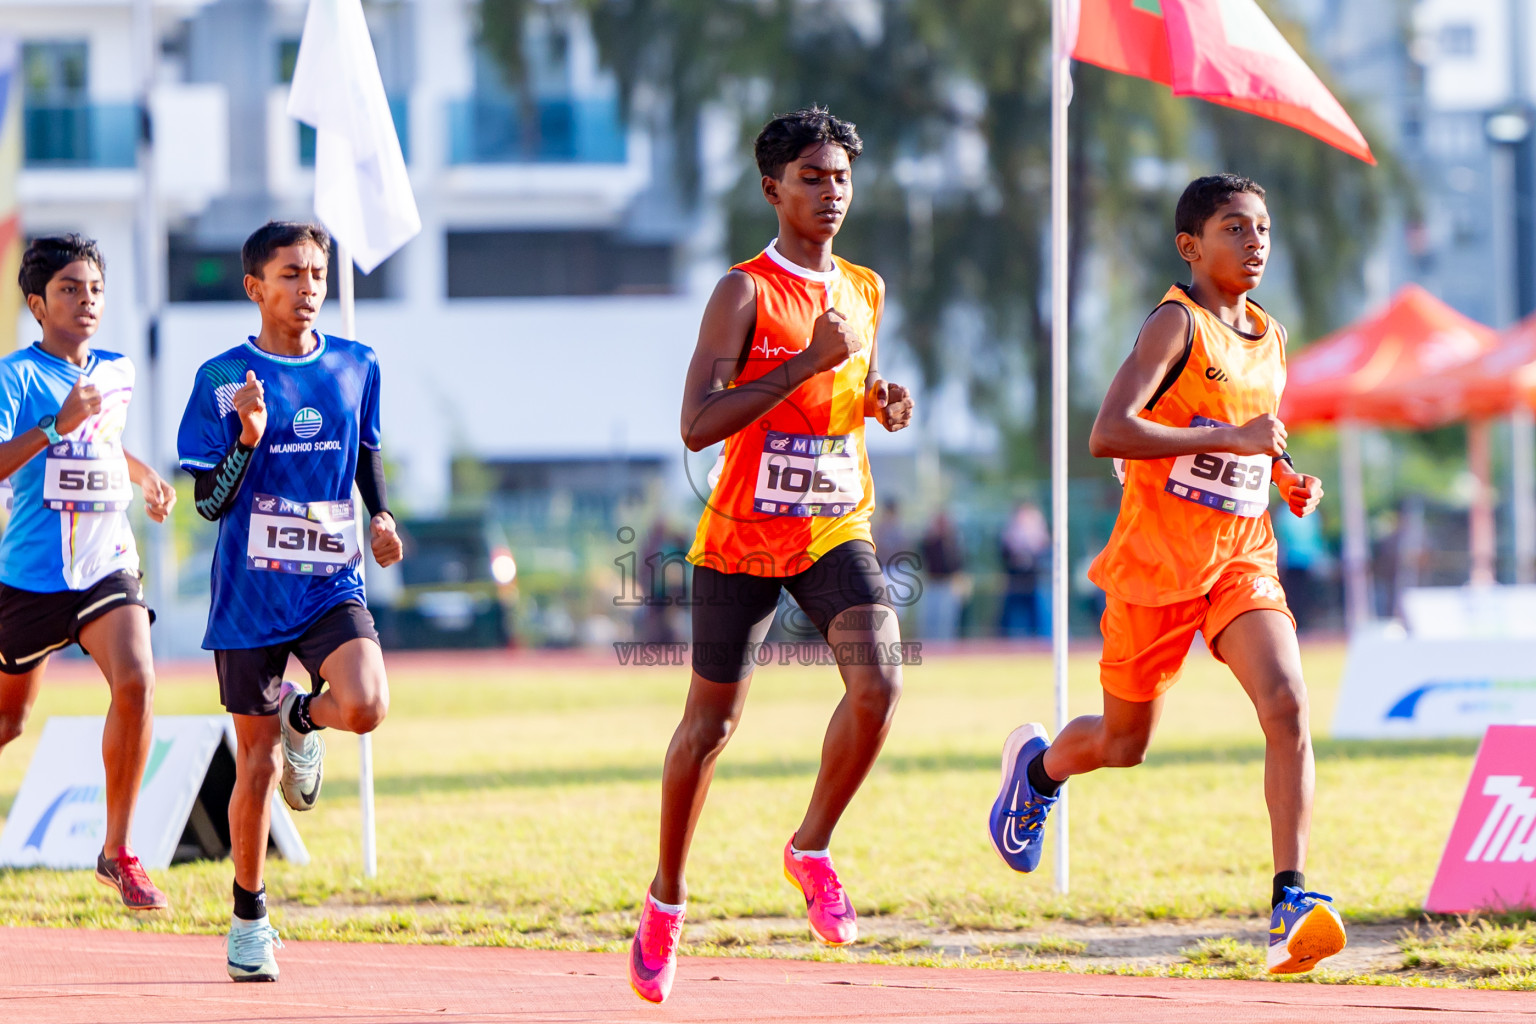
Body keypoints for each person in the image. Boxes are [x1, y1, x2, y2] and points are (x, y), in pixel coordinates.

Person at [987, 174, 1346, 976]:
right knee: (1124, 743)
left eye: (1262, 228)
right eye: (1235, 228)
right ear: (1191, 246)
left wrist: (1286, 477)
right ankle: (1039, 772)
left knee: (1287, 703)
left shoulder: (1271, 336)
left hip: (1239, 558)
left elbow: (1259, 440)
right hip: (1155, 564)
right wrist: (1227, 437)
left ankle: (1291, 898)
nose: (1256, 242)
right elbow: (1109, 432)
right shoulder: (1173, 326)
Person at [628, 107, 914, 1004]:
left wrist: (874, 400)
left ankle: (812, 846)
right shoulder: (744, 292)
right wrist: (802, 364)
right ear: (772, 189)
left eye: (840, 178)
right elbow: (697, 424)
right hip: (742, 537)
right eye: (812, 179)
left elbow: (839, 389)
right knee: (709, 729)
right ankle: (666, 902)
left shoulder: (865, 289)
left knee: (881, 683)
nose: (831, 194)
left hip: (835, 525)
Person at [177, 221, 403, 982]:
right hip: (249, 597)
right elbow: (206, 503)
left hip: (329, 581)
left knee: (367, 704)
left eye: (316, 273)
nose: (308, 289)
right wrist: (247, 434)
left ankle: (304, 713)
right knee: (256, 765)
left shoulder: (356, 363)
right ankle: (249, 917)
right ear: (255, 288)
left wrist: (381, 514)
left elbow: (365, 452)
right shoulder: (220, 377)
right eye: (291, 275)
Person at [0, 234, 176, 911]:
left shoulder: (119, 369)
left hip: (107, 566)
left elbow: (102, 442)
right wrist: (51, 427)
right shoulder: (15, 376)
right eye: (71, 289)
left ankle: (118, 852)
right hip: (33, 576)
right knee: (10, 722)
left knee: (137, 682)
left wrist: (145, 475)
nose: (87, 301)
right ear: (37, 304)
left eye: (96, 289)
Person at [998, 502, 1049, 638]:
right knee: (1010, 613)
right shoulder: (1010, 532)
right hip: (1015, 580)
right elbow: (1005, 553)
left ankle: (1035, 639)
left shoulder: (1038, 531)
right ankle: (1005, 639)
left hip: (1032, 580)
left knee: (1035, 614)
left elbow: (1043, 549)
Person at [918, 510, 967, 640]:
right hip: (932, 583)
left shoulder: (953, 542)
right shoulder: (929, 541)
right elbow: (924, 556)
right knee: (929, 620)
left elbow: (956, 563)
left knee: (946, 621)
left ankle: (946, 649)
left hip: (947, 584)